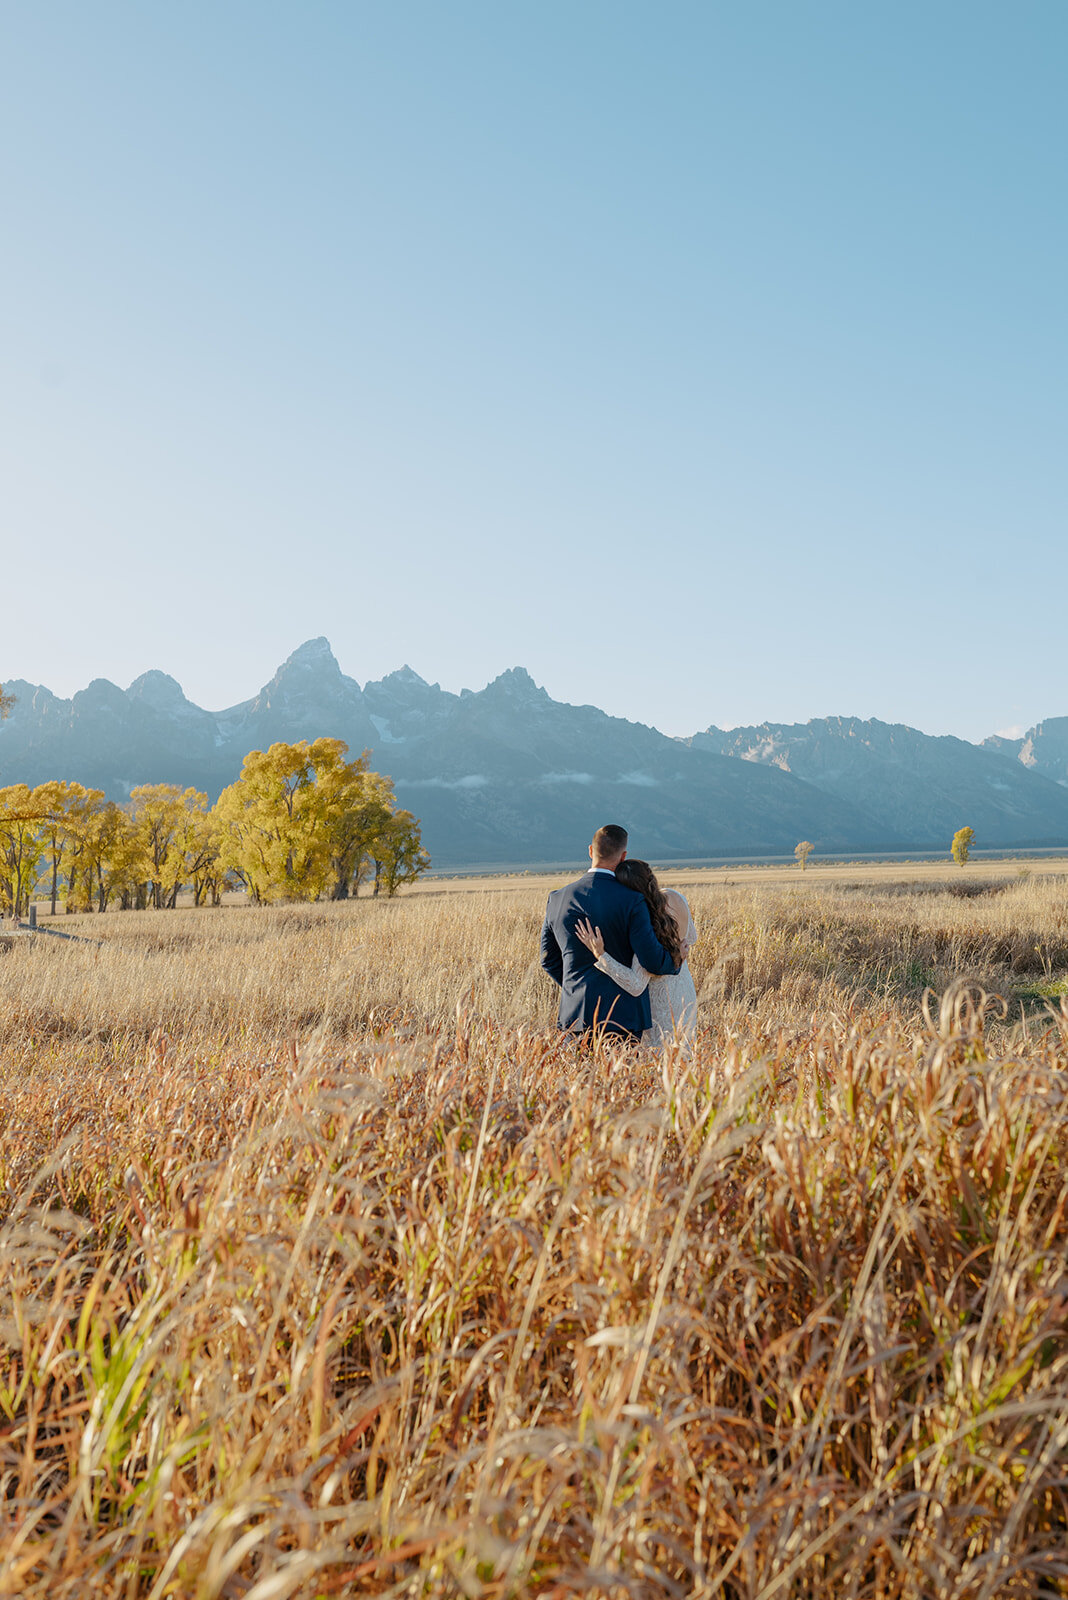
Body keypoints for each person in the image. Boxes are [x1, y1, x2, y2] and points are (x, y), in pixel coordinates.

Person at [539, 824, 679, 1040]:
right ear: (623, 856)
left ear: (590, 851)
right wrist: (675, 960)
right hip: (623, 1016)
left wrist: (575, 988)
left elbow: (548, 960)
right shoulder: (632, 900)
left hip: (575, 1016)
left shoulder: (557, 898)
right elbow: (651, 959)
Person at [574, 859, 698, 1048]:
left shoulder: (645, 921)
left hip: (661, 1004)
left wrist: (601, 955)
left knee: (661, 1062)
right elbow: (691, 938)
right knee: (684, 1056)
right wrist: (678, 955)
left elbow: (636, 985)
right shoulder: (676, 897)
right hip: (684, 991)